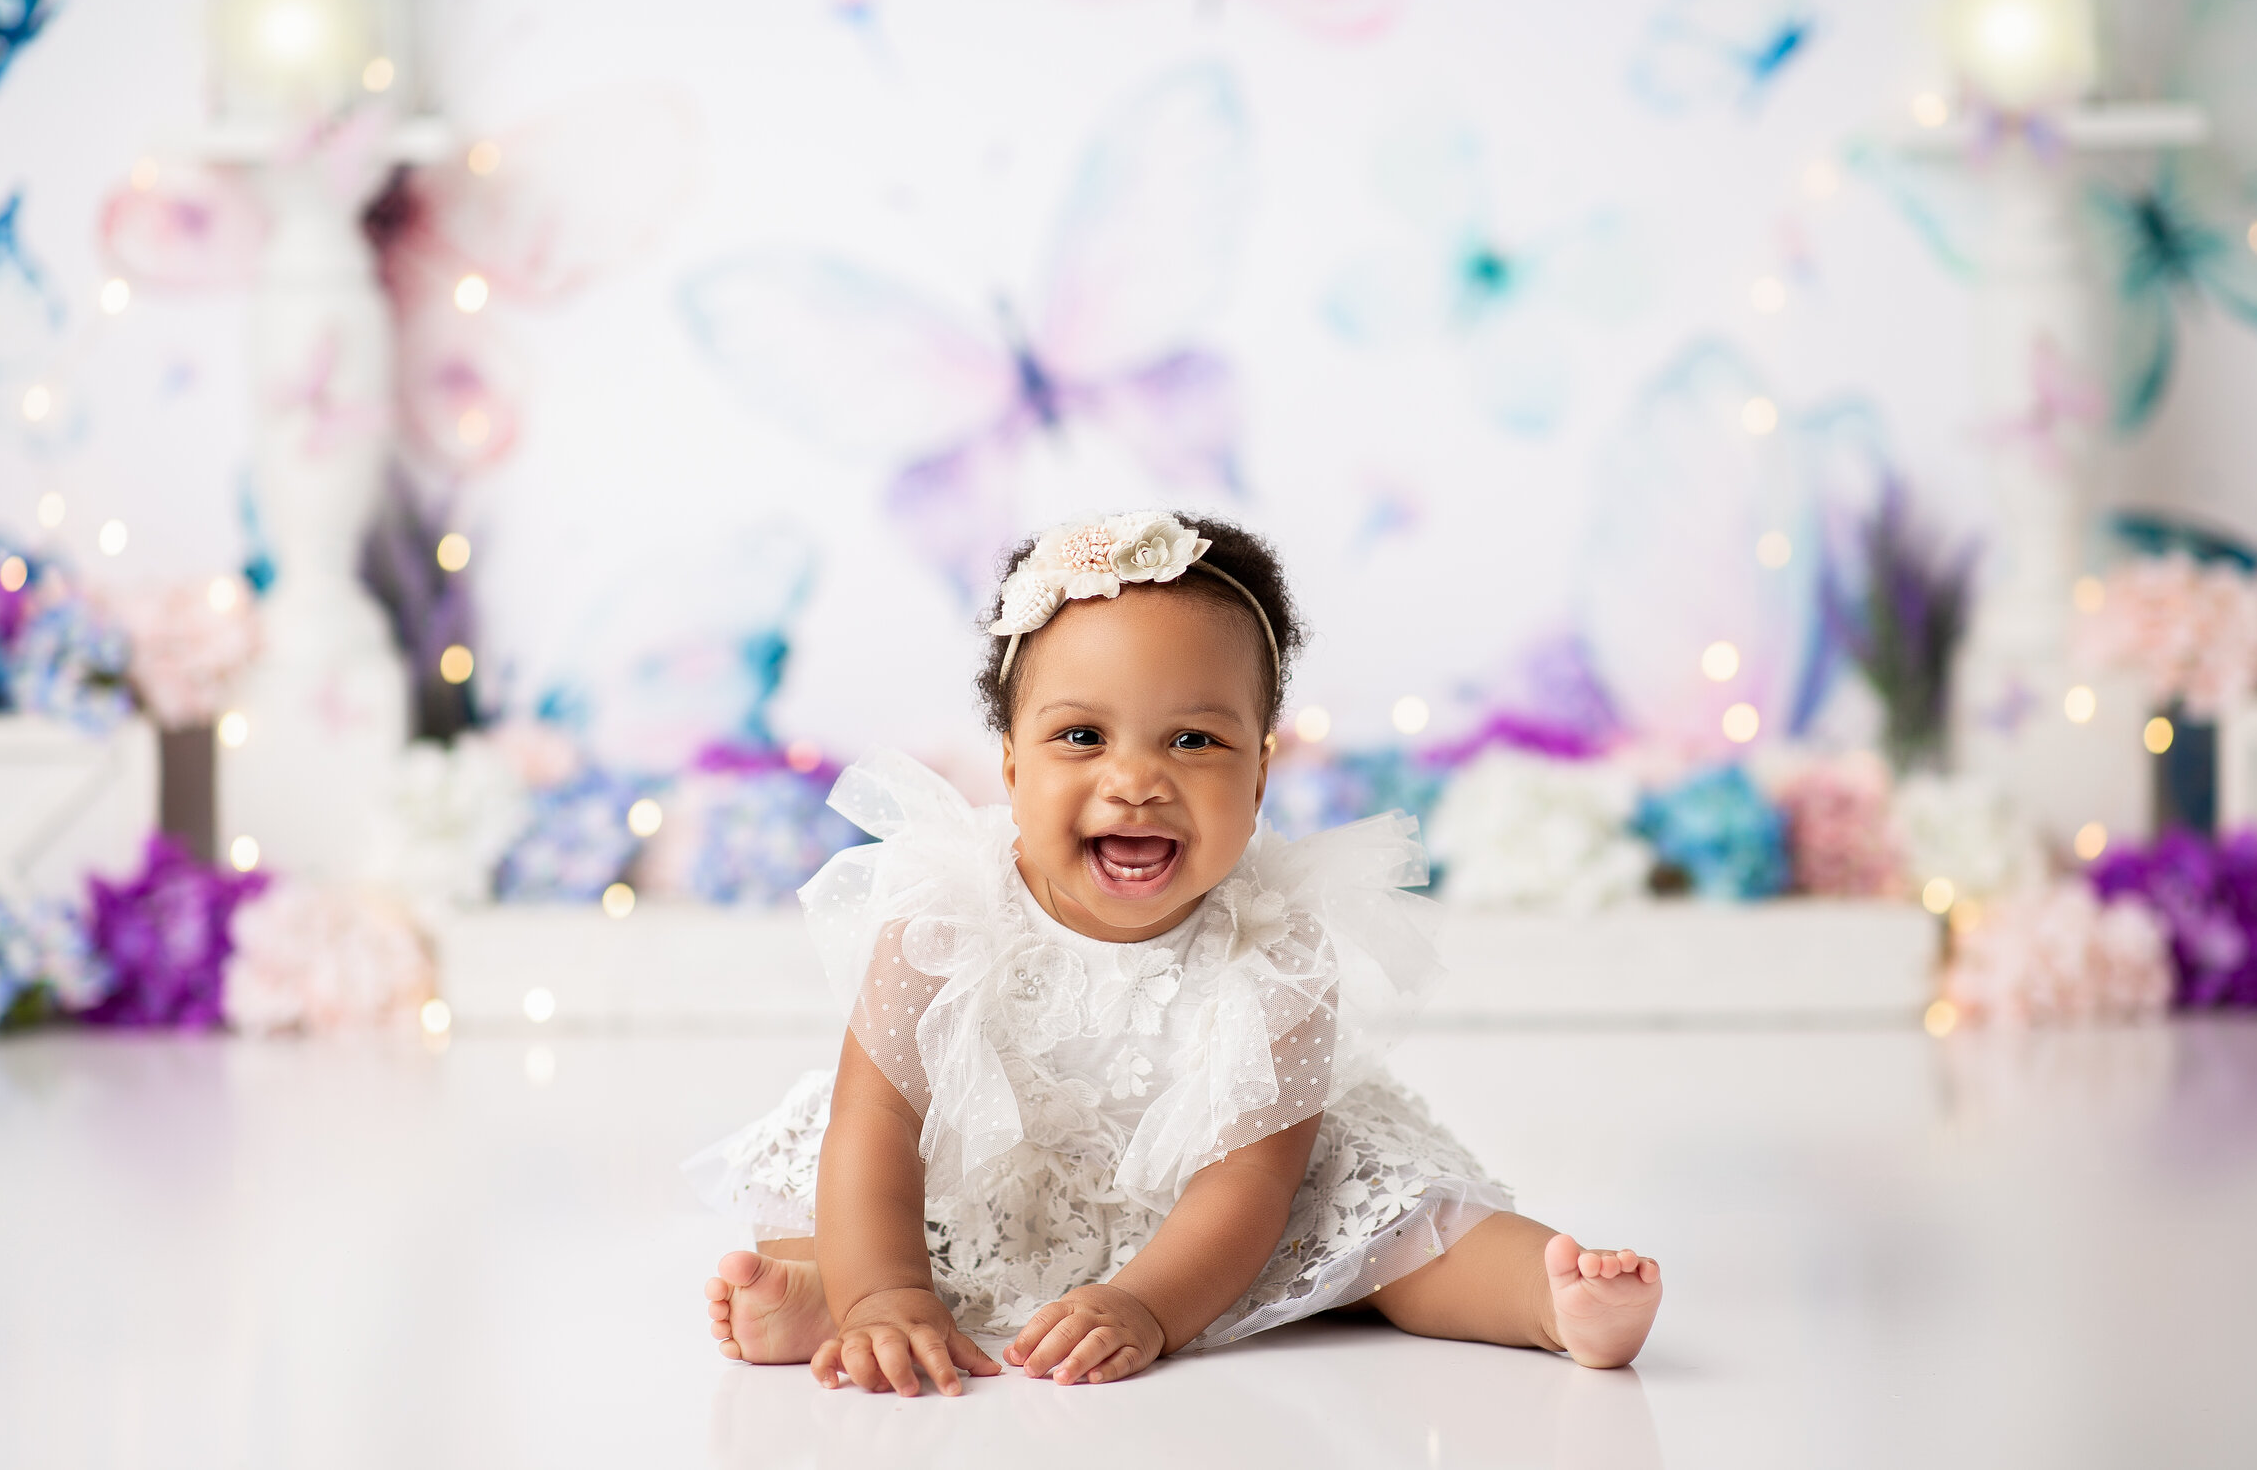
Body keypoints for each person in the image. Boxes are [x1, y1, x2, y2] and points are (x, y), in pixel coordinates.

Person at [688, 511, 1660, 1394]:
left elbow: (1250, 1182)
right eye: (1081, 735)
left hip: (1213, 1215)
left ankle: (1552, 1298)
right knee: (837, 1196)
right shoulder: (945, 917)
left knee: (1402, 1227)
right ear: (1013, 765)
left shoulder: (1272, 945)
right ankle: (857, 1306)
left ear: (1261, 771)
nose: (1136, 780)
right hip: (986, 1170)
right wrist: (883, 1286)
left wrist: (1148, 1304)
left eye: (1194, 738)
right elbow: (877, 1122)